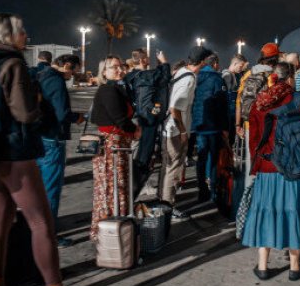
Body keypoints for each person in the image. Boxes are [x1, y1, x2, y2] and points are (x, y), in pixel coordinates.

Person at [0, 13, 77, 286]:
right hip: (15, 154)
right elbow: (25, 113)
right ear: (9, 35)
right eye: (22, 32)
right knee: (41, 224)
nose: (26, 37)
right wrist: (38, 102)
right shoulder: (13, 64)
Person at [243, 62, 300, 281]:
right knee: (295, 210)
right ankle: (295, 267)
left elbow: (254, 139)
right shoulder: (298, 99)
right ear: (289, 78)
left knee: (266, 210)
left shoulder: (260, 102)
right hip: (294, 167)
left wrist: (256, 166)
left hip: (268, 167)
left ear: (273, 77)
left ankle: (263, 266)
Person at [35, 54, 85, 246]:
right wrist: (77, 117)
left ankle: (38, 229)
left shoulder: (42, 74)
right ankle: (48, 235)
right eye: (73, 71)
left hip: (39, 137)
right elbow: (62, 113)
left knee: (39, 188)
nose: (73, 75)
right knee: (51, 190)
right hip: (52, 139)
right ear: (66, 66)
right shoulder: (56, 81)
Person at [90, 56, 141, 241]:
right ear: (104, 71)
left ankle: (115, 226)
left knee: (116, 184)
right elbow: (119, 118)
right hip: (113, 144)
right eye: (114, 67)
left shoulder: (115, 88)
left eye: (121, 67)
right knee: (114, 185)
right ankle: (111, 228)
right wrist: (134, 130)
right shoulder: (108, 90)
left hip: (118, 143)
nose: (119, 70)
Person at [158, 46, 210, 218]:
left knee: (168, 167)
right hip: (174, 131)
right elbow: (175, 108)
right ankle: (168, 206)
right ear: (202, 61)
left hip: (167, 128)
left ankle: (162, 202)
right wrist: (182, 132)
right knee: (174, 169)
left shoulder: (180, 71)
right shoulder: (189, 80)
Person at [123, 48, 171, 196]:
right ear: (143, 60)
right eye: (147, 58)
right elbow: (164, 78)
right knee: (144, 154)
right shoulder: (147, 76)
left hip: (134, 117)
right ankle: (138, 186)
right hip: (147, 120)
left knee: (136, 154)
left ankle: (133, 184)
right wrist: (164, 62)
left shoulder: (129, 76)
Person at [192, 54, 229, 203]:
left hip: (199, 125)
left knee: (201, 158)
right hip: (213, 126)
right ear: (214, 64)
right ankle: (213, 190)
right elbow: (222, 105)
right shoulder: (217, 79)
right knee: (213, 159)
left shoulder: (196, 78)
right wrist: (225, 127)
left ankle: (202, 190)